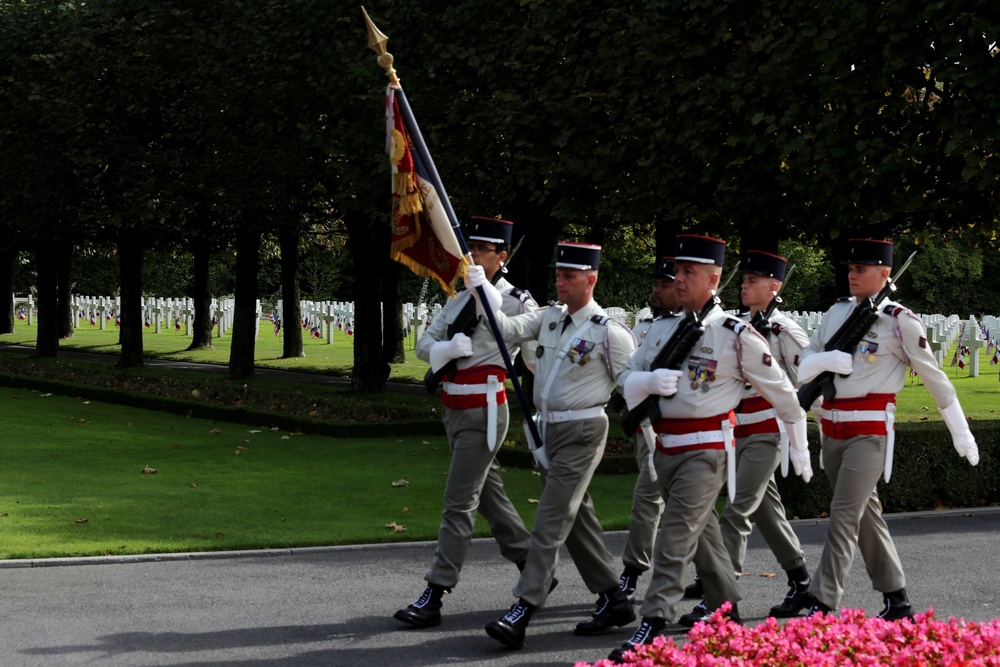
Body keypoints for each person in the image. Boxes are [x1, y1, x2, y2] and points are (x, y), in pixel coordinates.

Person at [607, 235, 811, 663]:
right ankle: (726, 607)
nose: (678, 279)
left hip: (707, 450)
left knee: (675, 536)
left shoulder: (735, 335)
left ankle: (652, 622)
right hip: (665, 446)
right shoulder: (662, 328)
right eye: (677, 271)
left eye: (689, 272)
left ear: (714, 279)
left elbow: (783, 393)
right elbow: (626, 375)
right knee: (705, 538)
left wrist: (799, 445)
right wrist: (643, 383)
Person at [467, 241, 638, 650]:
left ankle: (522, 609)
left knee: (550, 518)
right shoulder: (548, 318)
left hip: (583, 431)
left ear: (590, 279)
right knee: (576, 520)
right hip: (548, 432)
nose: (560, 281)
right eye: (558, 274)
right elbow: (505, 330)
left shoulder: (608, 332)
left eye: (569, 276)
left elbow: (633, 383)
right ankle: (614, 598)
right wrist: (483, 290)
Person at [799, 238, 980, 620]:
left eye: (860, 270)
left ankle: (822, 601)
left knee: (843, 515)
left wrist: (960, 430)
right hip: (831, 431)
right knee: (866, 516)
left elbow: (935, 378)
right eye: (850, 268)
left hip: (869, 434)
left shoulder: (899, 321)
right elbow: (804, 363)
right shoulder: (835, 314)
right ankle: (898, 601)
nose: (852, 275)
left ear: (884, 274)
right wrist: (824, 360)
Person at [394, 217, 537, 629]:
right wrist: (444, 349)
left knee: (458, 504)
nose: (472, 255)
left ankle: (435, 593)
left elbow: (531, 357)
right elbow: (423, 344)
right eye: (470, 247)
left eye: (482, 249)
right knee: (490, 498)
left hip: (485, 412)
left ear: (502, 256)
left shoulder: (516, 302)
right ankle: (531, 562)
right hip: (453, 409)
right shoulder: (457, 298)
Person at [680, 250, 814, 622]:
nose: (744, 285)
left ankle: (720, 601)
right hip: (738, 429)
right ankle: (802, 582)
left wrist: (797, 427)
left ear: (774, 287)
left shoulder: (784, 330)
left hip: (767, 430)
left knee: (736, 512)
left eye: (753, 281)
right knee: (768, 513)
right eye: (743, 279)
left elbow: (808, 376)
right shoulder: (736, 325)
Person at [616, 257, 679, 600]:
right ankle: (707, 572)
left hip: (673, 430)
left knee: (647, 499)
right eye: (656, 283)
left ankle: (632, 570)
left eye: (664, 284)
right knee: (663, 501)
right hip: (644, 427)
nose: (657, 289)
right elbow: (627, 373)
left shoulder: (697, 330)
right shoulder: (644, 328)